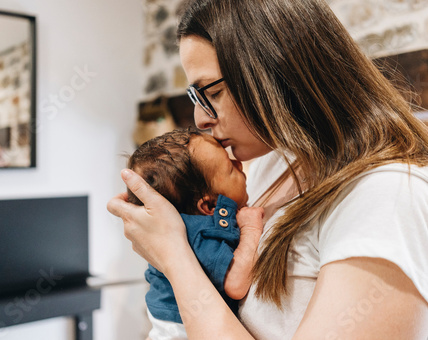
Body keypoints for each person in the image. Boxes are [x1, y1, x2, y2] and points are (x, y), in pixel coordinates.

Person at [108, 0, 428, 338]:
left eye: (213, 92)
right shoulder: (270, 165)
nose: (201, 119)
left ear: (278, 71)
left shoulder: (386, 196)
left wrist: (173, 257)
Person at [126, 127, 264, 339]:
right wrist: (251, 230)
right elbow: (236, 285)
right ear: (210, 206)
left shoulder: (181, 223)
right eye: (230, 169)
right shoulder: (200, 232)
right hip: (181, 330)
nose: (239, 164)